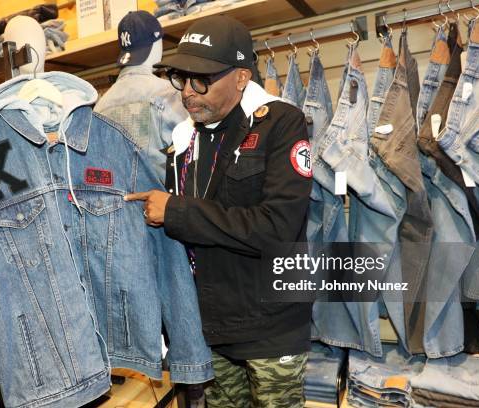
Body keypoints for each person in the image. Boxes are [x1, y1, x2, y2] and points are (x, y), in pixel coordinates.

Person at [125, 15, 313, 407]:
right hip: (209, 325)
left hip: (272, 325)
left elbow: (278, 227)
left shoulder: (281, 122)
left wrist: (176, 212)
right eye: (182, 79)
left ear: (241, 76)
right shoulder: (183, 138)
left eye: (202, 80)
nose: (189, 93)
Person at [95, 10, 186, 183]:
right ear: (156, 44)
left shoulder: (100, 105)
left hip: (117, 205)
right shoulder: (168, 93)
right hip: (160, 204)